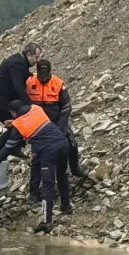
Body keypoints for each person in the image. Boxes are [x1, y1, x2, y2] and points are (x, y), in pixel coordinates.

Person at [0, 100, 68, 233]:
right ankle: (66, 206)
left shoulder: (19, 125)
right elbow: (30, 119)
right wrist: (14, 121)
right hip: (63, 143)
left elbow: (9, 146)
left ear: (13, 113)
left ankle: (47, 222)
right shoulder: (36, 108)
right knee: (62, 175)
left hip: (48, 150)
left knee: (48, 185)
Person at [26, 60, 88, 209]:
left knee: (71, 144)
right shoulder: (28, 82)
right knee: (37, 156)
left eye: (45, 75)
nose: (43, 78)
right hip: (38, 124)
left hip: (57, 119)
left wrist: (59, 128)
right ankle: (34, 191)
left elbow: (66, 107)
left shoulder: (58, 84)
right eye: (41, 75)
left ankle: (74, 169)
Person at [0, 42, 43, 159]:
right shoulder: (17, 63)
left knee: (18, 124)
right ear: (29, 55)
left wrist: (30, 75)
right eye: (36, 57)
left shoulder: (20, 62)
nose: (37, 61)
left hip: (0, 100)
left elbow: (20, 75)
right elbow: (18, 86)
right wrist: (30, 106)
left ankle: (14, 147)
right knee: (18, 125)